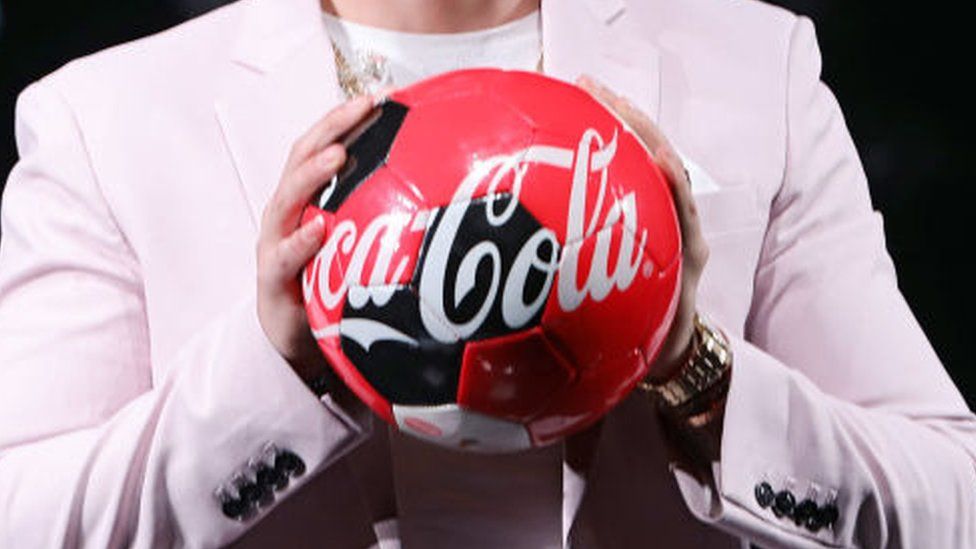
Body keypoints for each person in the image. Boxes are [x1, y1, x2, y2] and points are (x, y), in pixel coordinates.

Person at [0, 0, 973, 546]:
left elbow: (951, 504)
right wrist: (279, 371)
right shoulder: (107, 116)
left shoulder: (755, 62)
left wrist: (689, 362)